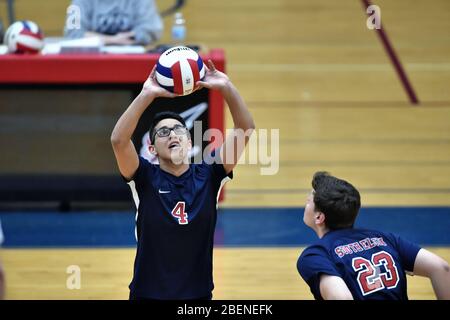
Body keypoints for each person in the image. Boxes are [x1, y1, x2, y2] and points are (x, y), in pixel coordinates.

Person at [111, 60, 255, 300]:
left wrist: (226, 86)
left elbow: (245, 128)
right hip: (147, 295)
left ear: (190, 142)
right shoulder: (144, 178)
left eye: (178, 130)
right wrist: (147, 94)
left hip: (197, 298)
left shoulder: (210, 176)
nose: (172, 135)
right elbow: (118, 141)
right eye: (162, 133)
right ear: (152, 148)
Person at [297, 171, 450, 300]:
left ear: (319, 217)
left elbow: (341, 297)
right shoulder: (384, 239)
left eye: (308, 201)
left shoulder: (315, 255)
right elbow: (441, 268)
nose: (305, 204)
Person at [64, 0, 163, 45]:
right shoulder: (80, 1)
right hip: (91, 58)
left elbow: (151, 29)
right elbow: (72, 32)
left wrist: (134, 36)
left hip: (131, 56)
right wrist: (112, 40)